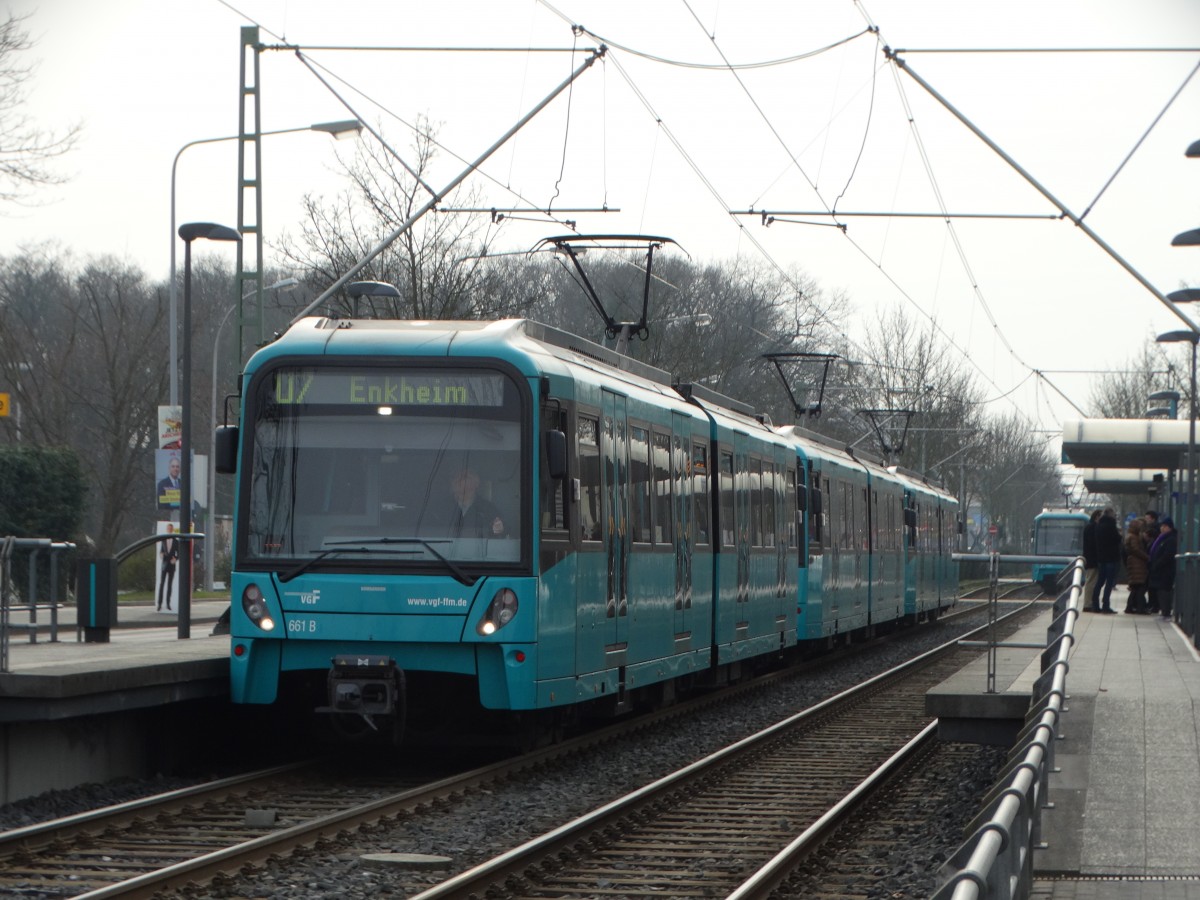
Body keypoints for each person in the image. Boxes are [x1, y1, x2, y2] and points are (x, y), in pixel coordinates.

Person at [445, 468, 506, 538]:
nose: (459, 480)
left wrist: (500, 529)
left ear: (476, 483)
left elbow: (502, 533)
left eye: (465, 477)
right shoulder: (439, 509)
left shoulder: (489, 509)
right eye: (455, 477)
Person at [1092, 507, 1121, 614]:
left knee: (1099, 581)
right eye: (1113, 514)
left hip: (1101, 558)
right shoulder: (1111, 526)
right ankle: (1105, 605)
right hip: (1111, 558)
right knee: (1109, 582)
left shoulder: (1098, 526)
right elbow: (1117, 539)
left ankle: (1095, 604)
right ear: (1110, 514)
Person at [1148, 516, 1177, 621]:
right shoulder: (1163, 538)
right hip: (1160, 569)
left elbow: (1168, 555)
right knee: (1160, 591)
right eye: (1161, 526)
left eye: (1164, 526)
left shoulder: (1170, 539)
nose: (1162, 528)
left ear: (1169, 527)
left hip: (1165, 570)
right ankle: (1164, 611)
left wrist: (1157, 564)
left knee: (1164, 590)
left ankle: (1166, 612)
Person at [1122, 518, 1149, 614]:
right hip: (1137, 564)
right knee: (1140, 586)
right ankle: (1140, 607)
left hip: (1133, 563)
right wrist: (1147, 557)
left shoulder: (1130, 535)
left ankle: (1130, 607)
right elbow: (1136, 549)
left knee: (1135, 587)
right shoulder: (1133, 537)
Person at [1081, 509, 1101, 611]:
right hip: (1092, 560)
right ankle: (1088, 604)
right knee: (1091, 582)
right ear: (1097, 516)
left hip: (1090, 559)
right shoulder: (1092, 528)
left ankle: (1089, 603)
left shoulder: (1089, 527)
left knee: (1091, 581)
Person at [158, 524, 179, 611]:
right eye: (168, 528)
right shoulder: (163, 540)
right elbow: (161, 551)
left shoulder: (176, 541)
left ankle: (168, 603)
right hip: (164, 563)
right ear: (167, 529)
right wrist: (161, 555)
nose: (169, 530)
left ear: (172, 529)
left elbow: (179, 553)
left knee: (169, 585)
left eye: (171, 529)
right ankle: (159, 604)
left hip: (171, 564)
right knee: (162, 584)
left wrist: (176, 558)